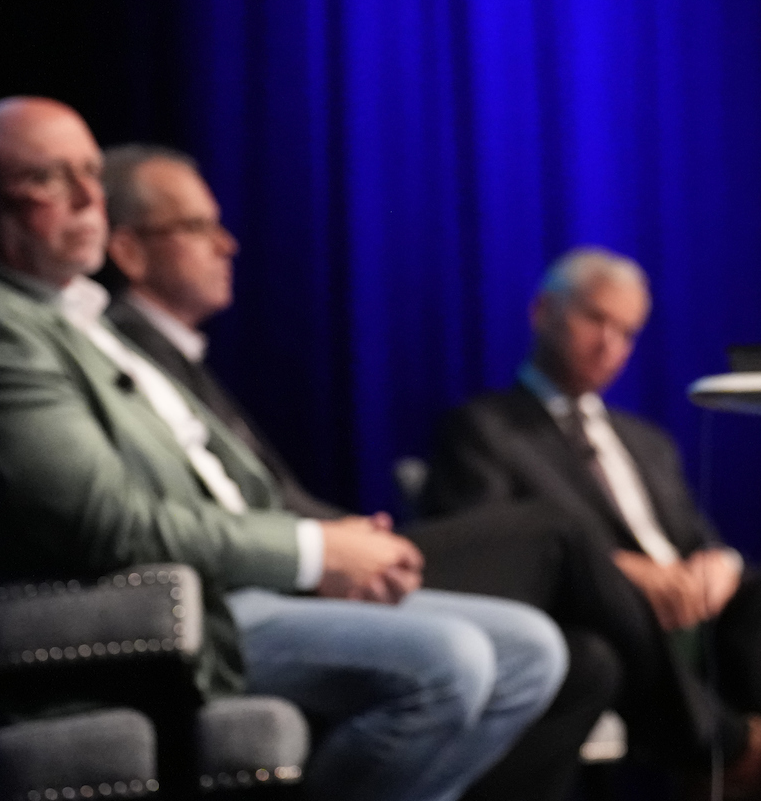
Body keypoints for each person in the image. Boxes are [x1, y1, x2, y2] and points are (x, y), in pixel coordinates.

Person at [0, 96, 568, 801]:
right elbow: (109, 526)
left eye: (90, 172)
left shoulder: (70, 316)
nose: (89, 197)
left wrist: (330, 544)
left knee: (530, 649)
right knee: (451, 662)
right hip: (161, 618)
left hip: (228, 585)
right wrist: (310, 553)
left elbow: (218, 477)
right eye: (49, 179)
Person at [95, 141, 621, 801]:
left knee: (570, 653)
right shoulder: (120, 357)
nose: (226, 243)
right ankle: (722, 739)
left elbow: (260, 492)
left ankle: (719, 734)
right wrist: (327, 546)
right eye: (197, 227)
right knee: (552, 533)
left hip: (293, 556)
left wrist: (337, 529)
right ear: (129, 250)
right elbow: (186, 517)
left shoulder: (182, 358)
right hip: (251, 583)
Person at [427, 247, 761, 801]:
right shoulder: (486, 428)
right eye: (596, 319)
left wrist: (718, 565)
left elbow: (693, 535)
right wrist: (624, 573)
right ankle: (735, 751)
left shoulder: (645, 440)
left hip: (692, 612)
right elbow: (498, 548)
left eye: (627, 332)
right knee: (613, 622)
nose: (610, 344)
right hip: (603, 616)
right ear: (543, 312)